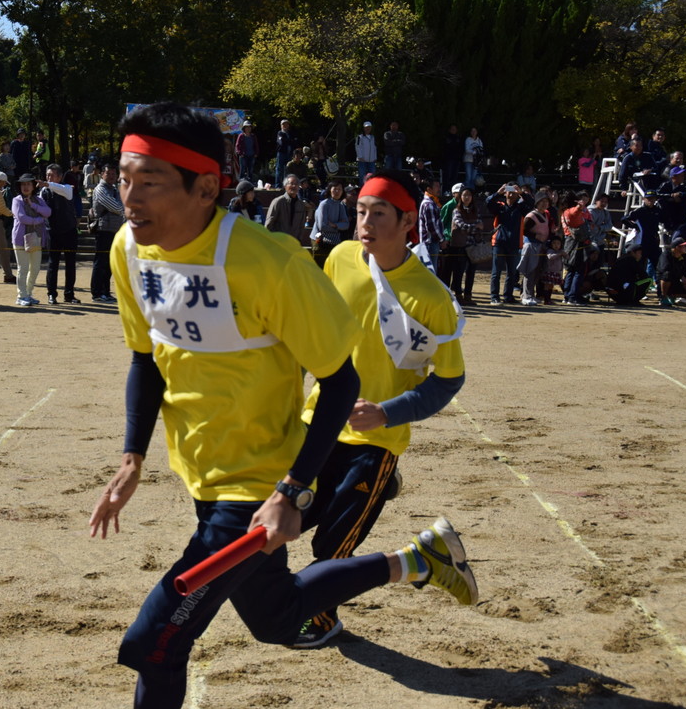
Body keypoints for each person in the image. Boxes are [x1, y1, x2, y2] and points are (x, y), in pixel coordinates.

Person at [88, 103, 477, 709]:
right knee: (278, 618)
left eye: (150, 182)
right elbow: (145, 359)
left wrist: (291, 490)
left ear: (206, 187)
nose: (129, 198)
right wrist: (132, 456)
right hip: (202, 468)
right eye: (123, 179)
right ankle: (418, 560)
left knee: (156, 641)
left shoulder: (270, 263)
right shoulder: (129, 251)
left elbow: (341, 380)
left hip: (260, 479)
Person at [293, 168, 467, 647]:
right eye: (360, 212)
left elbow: (449, 379)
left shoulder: (431, 297)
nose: (364, 224)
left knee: (334, 544)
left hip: (376, 441)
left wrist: (387, 412)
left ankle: (322, 617)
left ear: (408, 222)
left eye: (378, 214)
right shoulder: (340, 258)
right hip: (316, 425)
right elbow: (316, 332)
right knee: (280, 519)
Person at [42, 163, 79, 304]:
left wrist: (47, 184)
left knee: (70, 263)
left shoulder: (67, 188)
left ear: (59, 177)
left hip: (69, 230)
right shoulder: (44, 191)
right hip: (53, 231)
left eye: (51, 175)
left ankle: (69, 294)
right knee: (53, 263)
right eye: (47, 175)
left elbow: (62, 190)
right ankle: (51, 294)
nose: (48, 178)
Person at [10, 172, 49, 306]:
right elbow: (22, 217)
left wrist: (33, 205)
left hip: (36, 238)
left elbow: (48, 212)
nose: (25, 187)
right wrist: (38, 220)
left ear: (33, 186)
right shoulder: (17, 200)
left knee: (35, 268)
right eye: (23, 185)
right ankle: (21, 296)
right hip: (20, 239)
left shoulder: (38, 200)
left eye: (28, 184)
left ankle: (28, 293)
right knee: (23, 268)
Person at [90, 163, 124, 302]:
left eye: (113, 174)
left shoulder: (114, 189)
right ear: (102, 174)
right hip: (103, 229)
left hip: (115, 230)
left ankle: (106, 291)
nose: (111, 176)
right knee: (101, 262)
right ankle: (97, 293)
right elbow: (117, 207)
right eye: (108, 173)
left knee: (110, 263)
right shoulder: (100, 189)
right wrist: (124, 207)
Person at [487, 183, 524, 304]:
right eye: (509, 190)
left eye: (514, 191)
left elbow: (531, 203)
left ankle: (508, 296)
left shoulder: (520, 207)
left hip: (514, 243)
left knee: (512, 272)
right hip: (499, 243)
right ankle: (494, 296)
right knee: (496, 272)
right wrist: (498, 193)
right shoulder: (499, 207)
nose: (511, 193)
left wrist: (521, 193)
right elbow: (488, 202)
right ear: (505, 193)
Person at [447, 187, 481, 305]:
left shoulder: (475, 210)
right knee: (459, 271)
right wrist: (474, 226)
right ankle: (458, 295)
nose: (466, 197)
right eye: (464, 195)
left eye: (469, 195)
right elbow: (461, 225)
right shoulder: (457, 210)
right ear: (460, 197)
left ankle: (468, 296)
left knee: (471, 272)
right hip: (460, 245)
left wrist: (471, 227)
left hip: (473, 245)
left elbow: (480, 225)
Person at [518, 192, 551, 306]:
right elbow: (524, 230)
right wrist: (535, 236)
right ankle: (526, 296)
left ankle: (531, 295)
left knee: (538, 271)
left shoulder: (545, 214)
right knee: (530, 271)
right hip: (531, 246)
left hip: (541, 246)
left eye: (546, 202)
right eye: (542, 202)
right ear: (537, 203)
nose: (544, 204)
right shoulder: (531, 216)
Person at [560, 191, 593, 305]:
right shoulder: (574, 211)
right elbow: (575, 212)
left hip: (568, 242)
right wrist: (579, 207)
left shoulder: (564, 212)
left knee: (571, 270)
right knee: (579, 270)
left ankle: (567, 295)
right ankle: (573, 296)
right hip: (578, 243)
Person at [312, 180, 350, 267]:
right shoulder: (324, 204)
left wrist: (335, 225)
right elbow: (322, 226)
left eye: (339, 189)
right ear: (330, 190)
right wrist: (339, 227)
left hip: (334, 240)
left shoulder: (340, 204)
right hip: (320, 240)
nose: (337, 191)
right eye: (335, 189)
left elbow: (346, 224)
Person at [264, 174, 310, 242]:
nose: (294, 186)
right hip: (278, 241)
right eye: (291, 183)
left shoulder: (301, 205)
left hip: (293, 242)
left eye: (296, 184)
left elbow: (301, 225)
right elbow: (269, 222)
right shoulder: (278, 202)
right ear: (285, 186)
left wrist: (299, 239)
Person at [657, 238, 686, 306]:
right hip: (665, 283)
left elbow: (685, 272)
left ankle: (672, 295)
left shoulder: (685, 257)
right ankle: (663, 297)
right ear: (677, 247)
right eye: (684, 246)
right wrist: (681, 276)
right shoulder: (666, 255)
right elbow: (665, 269)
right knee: (667, 274)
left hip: (677, 282)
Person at [416, 177, 444, 269]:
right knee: (431, 271)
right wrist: (442, 239)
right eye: (436, 186)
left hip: (430, 243)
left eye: (439, 186)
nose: (439, 189)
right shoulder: (429, 204)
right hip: (430, 242)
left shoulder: (431, 202)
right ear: (429, 189)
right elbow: (431, 226)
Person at [274, 119, 296, 187]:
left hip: (289, 153)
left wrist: (288, 141)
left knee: (288, 170)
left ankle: (286, 185)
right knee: (279, 169)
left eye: (286, 124)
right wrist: (289, 141)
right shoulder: (280, 133)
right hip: (281, 153)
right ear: (281, 126)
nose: (285, 126)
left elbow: (293, 142)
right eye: (283, 124)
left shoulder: (290, 133)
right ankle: (278, 185)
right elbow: (281, 142)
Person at [441, 124, 462, 189]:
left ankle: (453, 190)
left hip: (456, 160)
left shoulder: (458, 138)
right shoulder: (446, 138)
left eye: (455, 129)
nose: (453, 130)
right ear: (449, 130)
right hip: (448, 159)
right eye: (452, 129)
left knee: (455, 176)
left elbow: (460, 149)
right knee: (448, 175)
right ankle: (446, 189)